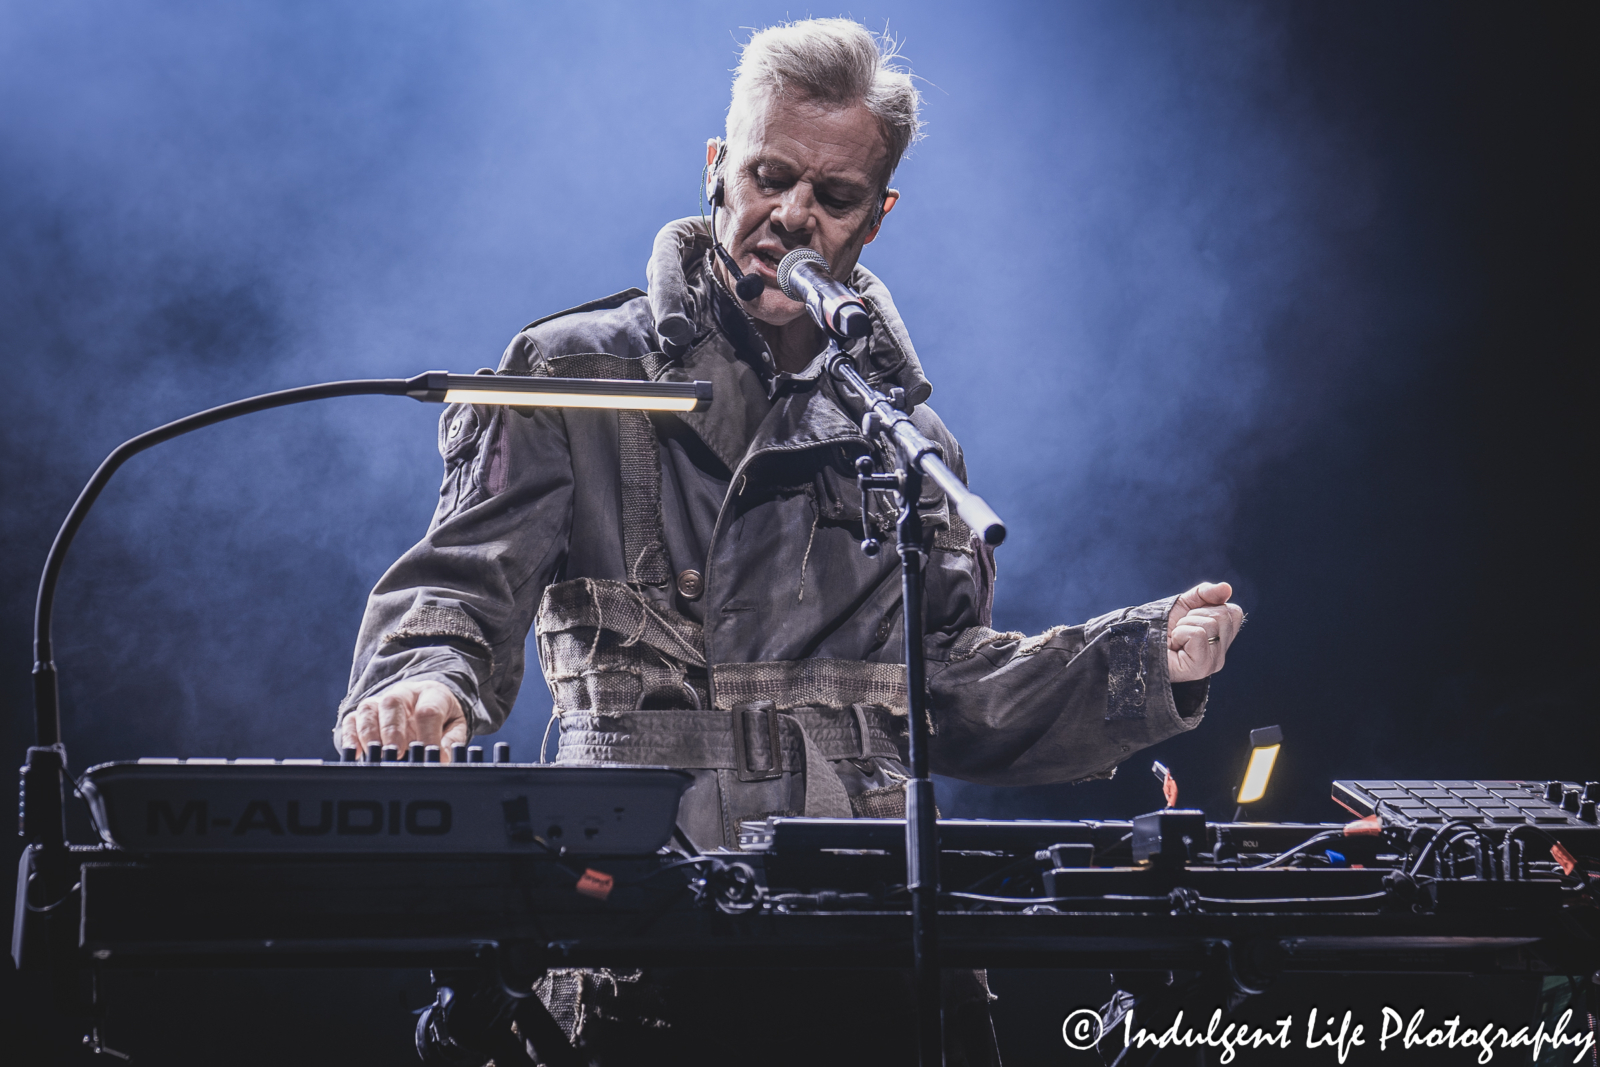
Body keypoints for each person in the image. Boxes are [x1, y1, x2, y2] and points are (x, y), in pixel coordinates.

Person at [335, 17, 1243, 1065]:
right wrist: (425, 681)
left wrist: (1133, 660)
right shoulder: (568, 376)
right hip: (641, 938)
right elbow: (457, 586)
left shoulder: (909, 440)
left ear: (875, 217)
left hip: (874, 949)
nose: (790, 216)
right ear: (718, 169)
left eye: (834, 196)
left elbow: (946, 681)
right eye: (768, 176)